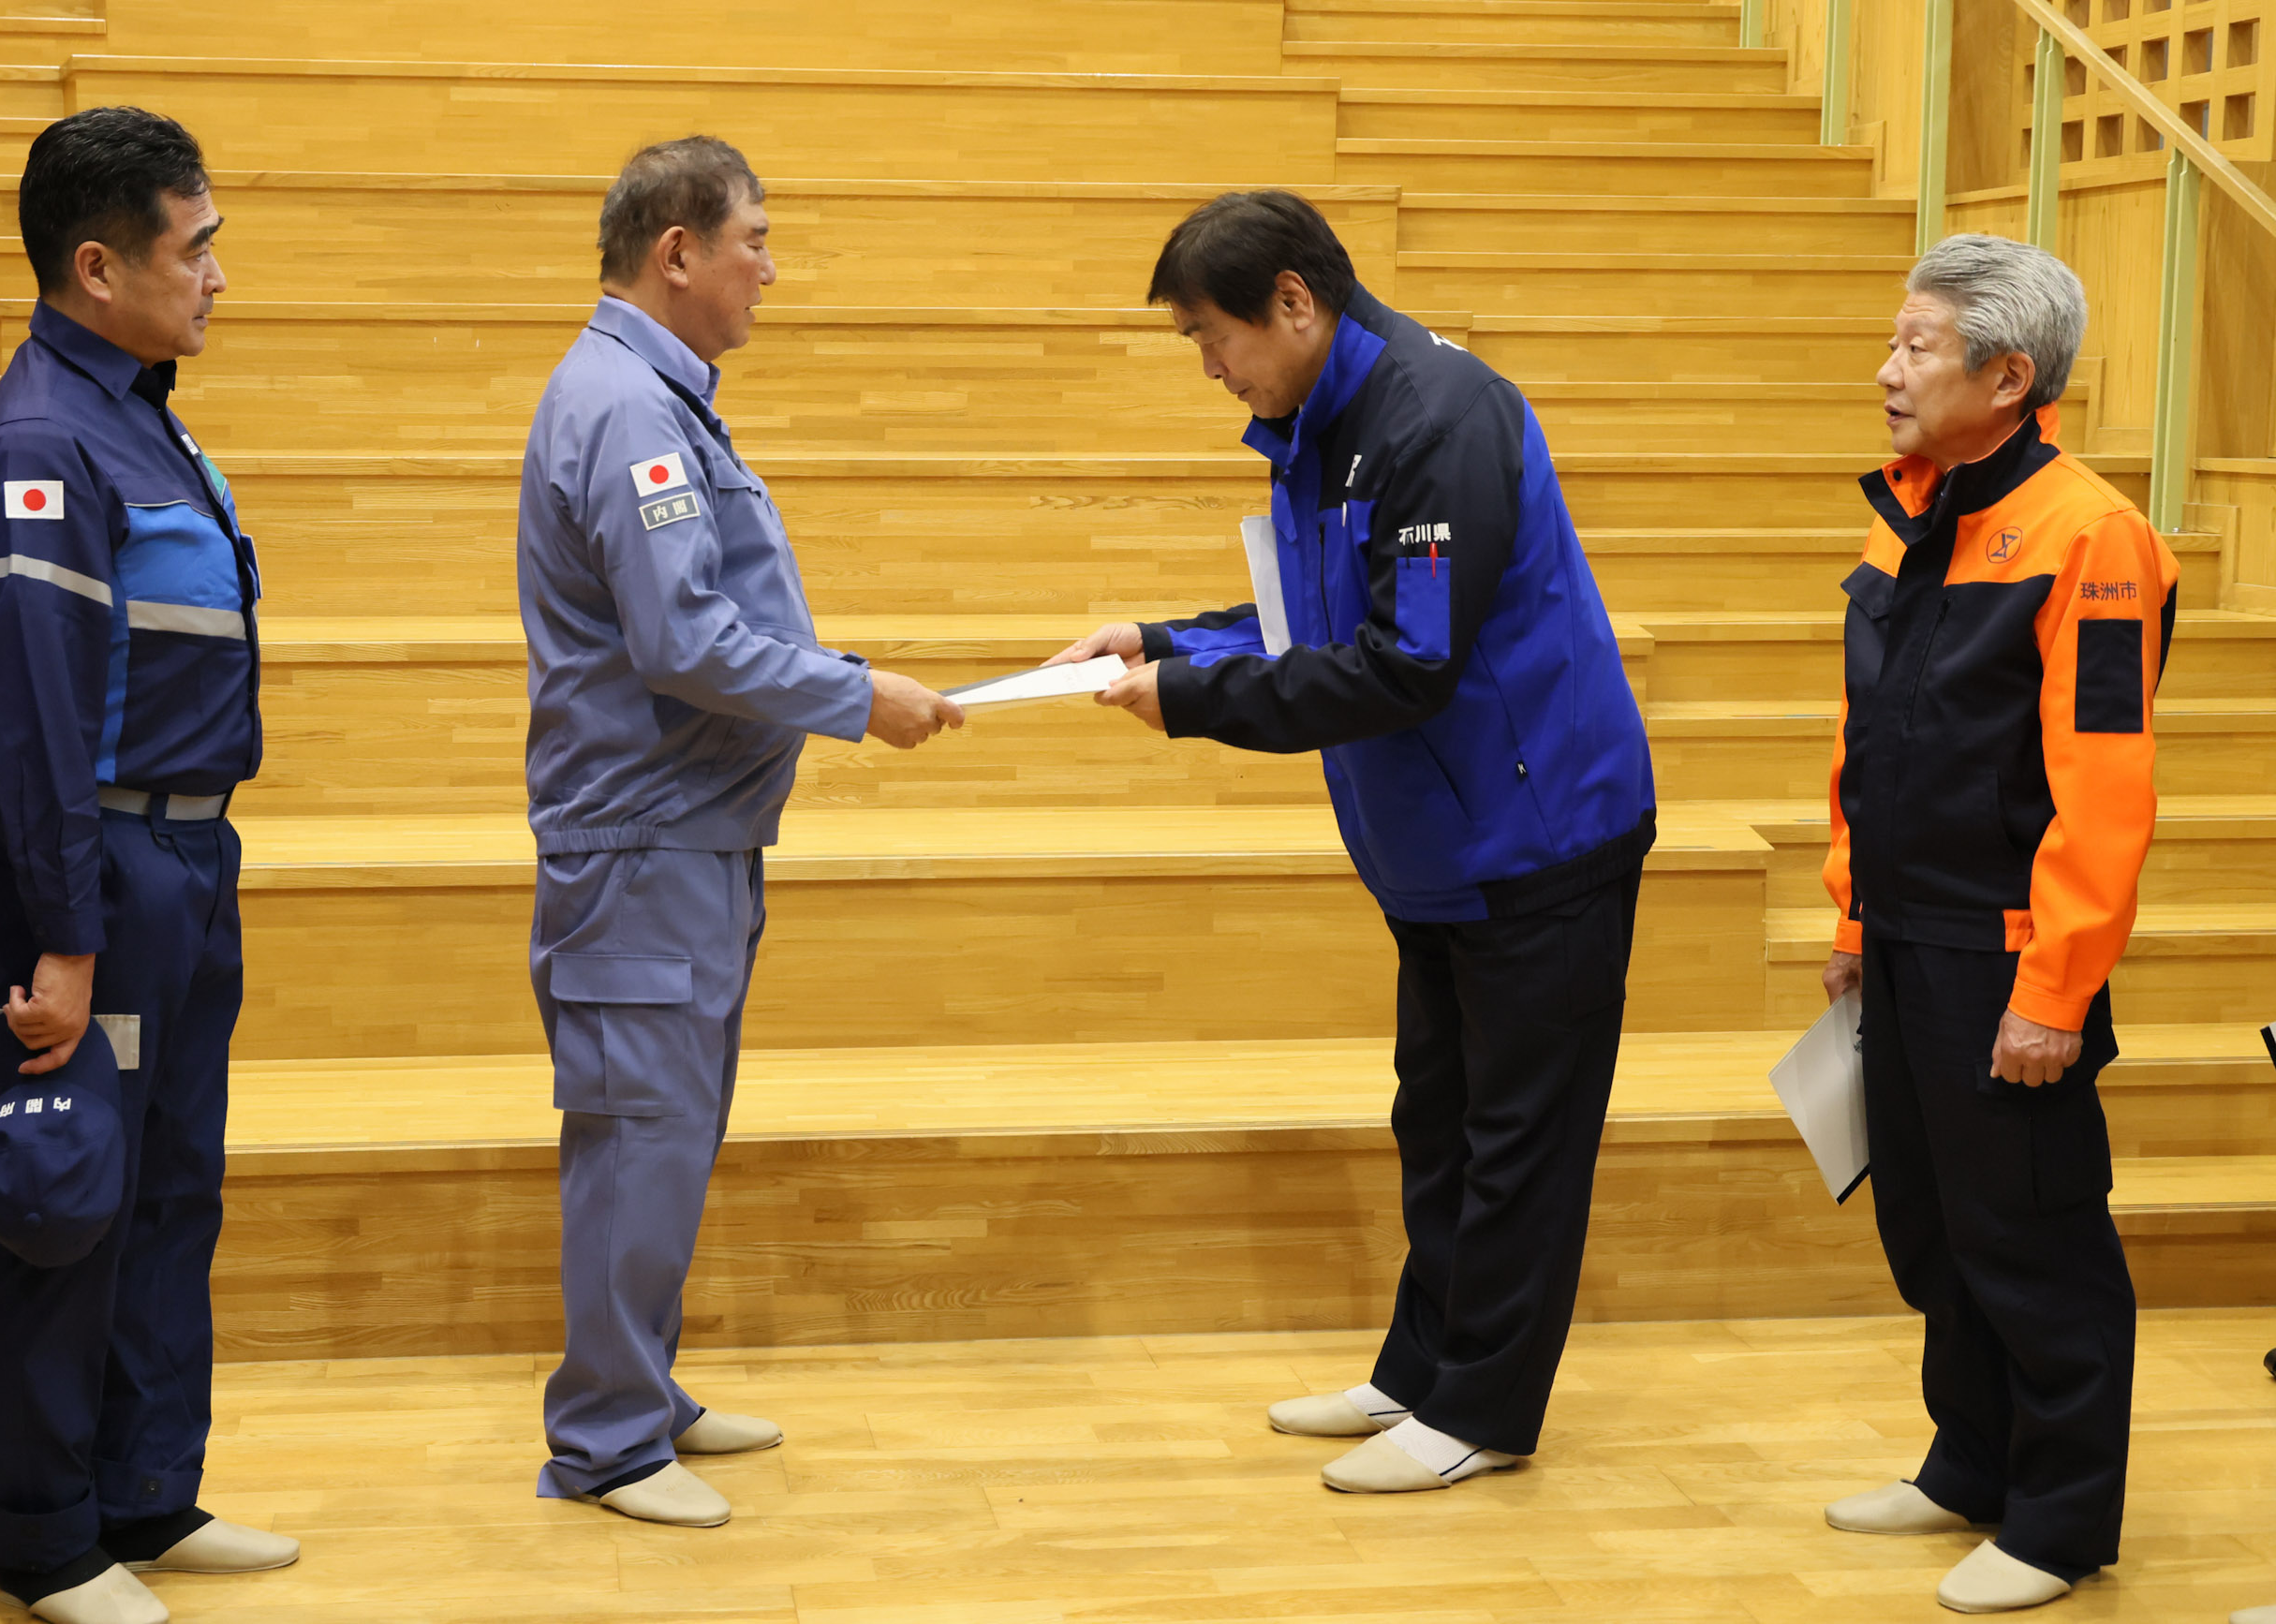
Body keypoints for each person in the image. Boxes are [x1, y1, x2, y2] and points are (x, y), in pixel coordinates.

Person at [1049, 190, 1655, 1497]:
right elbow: (1305, 610)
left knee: (1516, 1139)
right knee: (1435, 1116)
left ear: (1293, 301)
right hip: (1440, 846)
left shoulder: (1439, 422)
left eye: (1214, 336)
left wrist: (1193, 703)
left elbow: (1405, 664)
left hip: (1539, 835)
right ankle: (1425, 1365)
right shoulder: (1317, 423)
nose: (1211, 367)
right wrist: (1165, 642)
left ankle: (1486, 1405)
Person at [519, 135, 963, 1528]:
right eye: (755, 241)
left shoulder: (656, 399)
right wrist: (856, 696)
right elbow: (683, 637)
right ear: (679, 252)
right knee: (639, 1133)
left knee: (673, 1129)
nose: (770, 269)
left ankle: (638, 1386)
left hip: (685, 838)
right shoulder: (630, 411)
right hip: (643, 845)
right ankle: (603, 1438)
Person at [0, 106, 298, 1624]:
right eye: (194, 246)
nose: (217, 273)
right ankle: (42, 1538)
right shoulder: (37, 439)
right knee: (65, 1194)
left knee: (168, 1186)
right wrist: (66, 933)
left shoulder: (141, 413)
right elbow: (30, 720)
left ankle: (147, 1487)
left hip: (186, 853)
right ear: (98, 265)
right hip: (94, 861)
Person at [1815, 234, 2178, 1615]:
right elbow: (1870, 734)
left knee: (2032, 1237)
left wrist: (2056, 989)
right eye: (1894, 341)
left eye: (1917, 346)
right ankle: (1971, 1457)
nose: (1888, 370)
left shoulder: (2091, 536)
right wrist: (1857, 907)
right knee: (1930, 1222)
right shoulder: (1914, 509)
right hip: (1906, 933)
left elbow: (2104, 785)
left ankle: (2062, 1513)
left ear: (2007, 375)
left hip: (2011, 949)